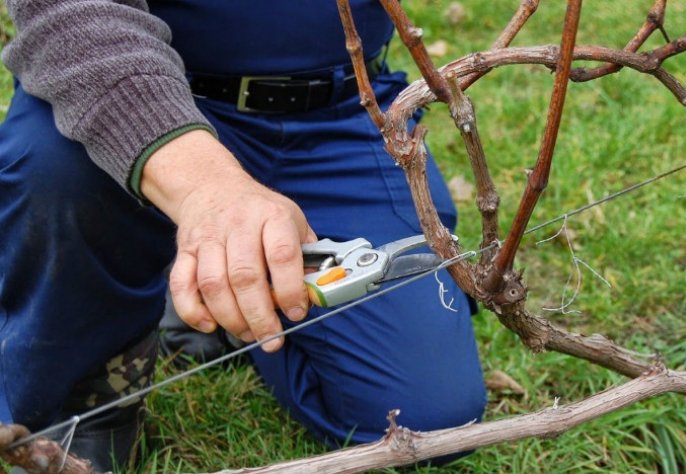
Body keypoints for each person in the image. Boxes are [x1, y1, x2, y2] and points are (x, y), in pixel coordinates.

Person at [0, 1, 487, 471]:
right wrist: (205, 188)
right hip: (134, 95)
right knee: (56, 173)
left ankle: (224, 291)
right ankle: (87, 401)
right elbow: (71, 12)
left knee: (430, 422)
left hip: (339, 116)